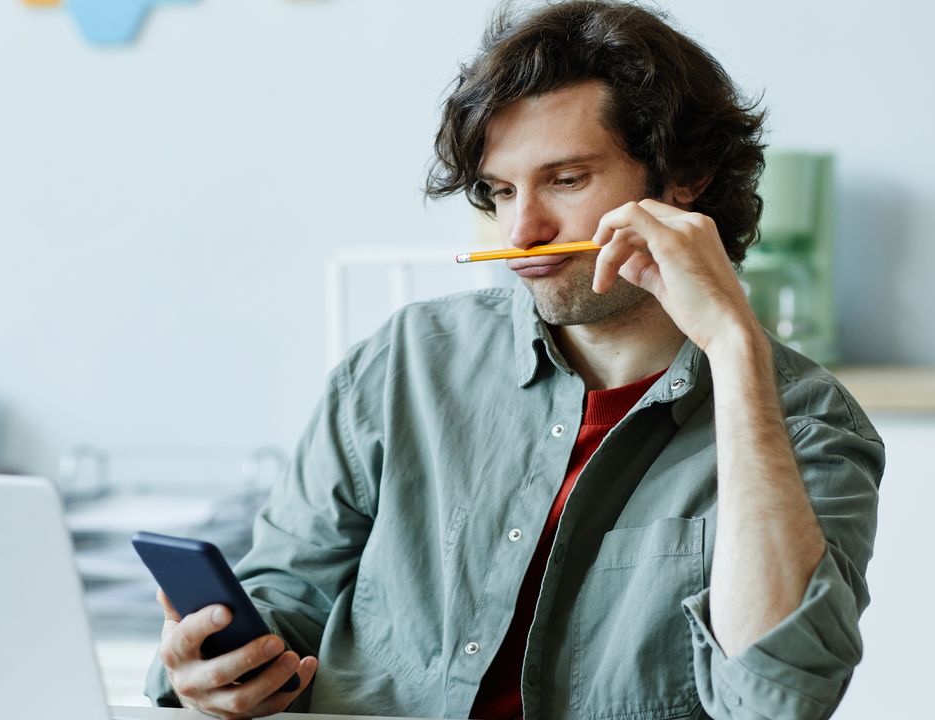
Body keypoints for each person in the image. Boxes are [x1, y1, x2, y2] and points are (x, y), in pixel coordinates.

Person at [145, 2, 884, 718]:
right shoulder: (406, 361)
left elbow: (776, 698)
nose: (521, 231)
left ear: (681, 177)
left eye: (566, 181)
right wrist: (207, 665)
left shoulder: (806, 418)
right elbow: (286, 598)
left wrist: (733, 347)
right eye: (500, 191)